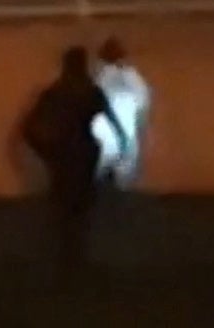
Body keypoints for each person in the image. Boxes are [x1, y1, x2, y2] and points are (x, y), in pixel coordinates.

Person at [22, 45, 128, 274]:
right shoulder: (91, 92)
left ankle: (65, 259)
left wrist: (44, 150)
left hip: (62, 154)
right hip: (84, 152)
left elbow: (28, 128)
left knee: (63, 209)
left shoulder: (54, 94)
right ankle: (77, 259)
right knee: (80, 207)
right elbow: (117, 127)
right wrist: (120, 152)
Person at [91, 36, 152, 187]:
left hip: (101, 135)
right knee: (124, 181)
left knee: (100, 181)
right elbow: (143, 103)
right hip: (126, 135)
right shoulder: (133, 77)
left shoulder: (97, 78)